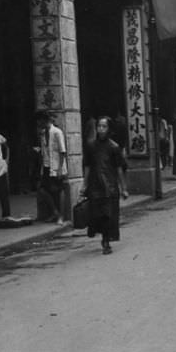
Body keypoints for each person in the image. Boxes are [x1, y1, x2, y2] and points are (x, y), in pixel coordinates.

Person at [80, 116, 129, 255]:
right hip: (95, 185)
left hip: (110, 186)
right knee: (98, 215)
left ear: (109, 129)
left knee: (108, 215)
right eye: (99, 126)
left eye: (104, 126)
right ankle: (103, 237)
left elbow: (119, 169)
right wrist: (84, 185)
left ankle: (106, 241)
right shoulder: (91, 146)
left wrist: (123, 188)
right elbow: (88, 167)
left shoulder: (114, 147)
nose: (101, 129)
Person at [36, 109, 68, 225]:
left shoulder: (57, 132)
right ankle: (55, 212)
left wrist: (60, 168)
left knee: (58, 191)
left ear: (45, 120)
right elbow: (44, 151)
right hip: (46, 166)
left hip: (56, 166)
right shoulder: (43, 134)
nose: (39, 124)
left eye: (40, 121)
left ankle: (61, 216)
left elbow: (62, 151)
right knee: (43, 189)